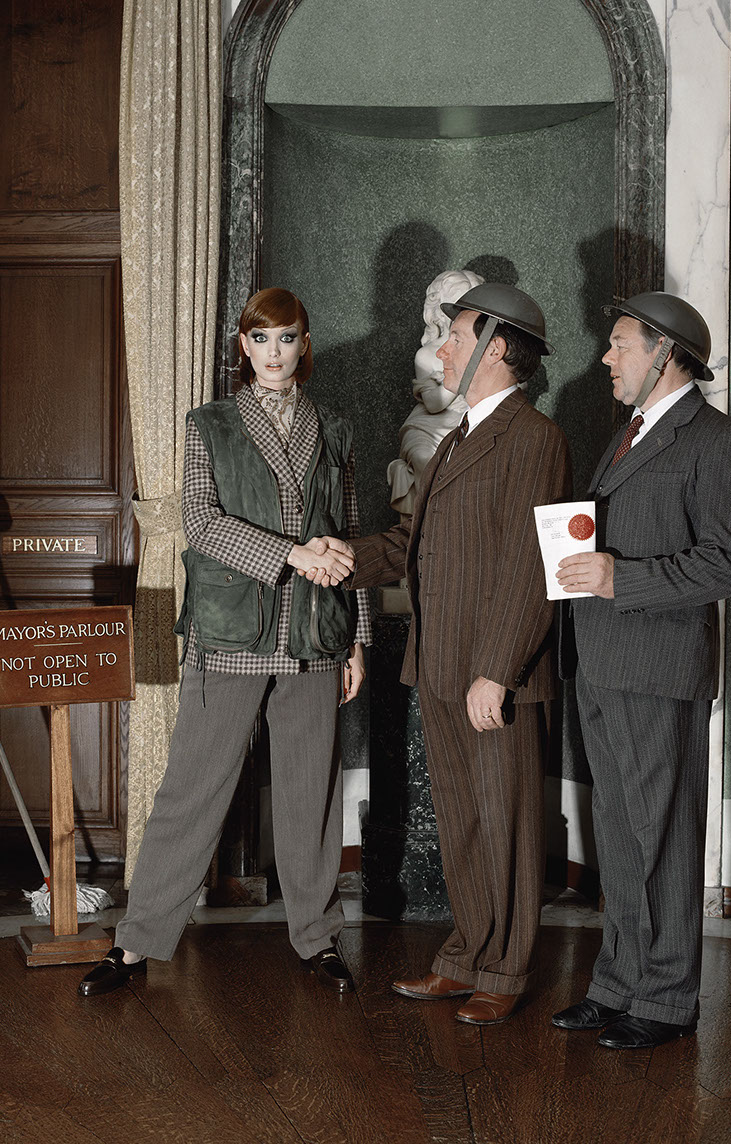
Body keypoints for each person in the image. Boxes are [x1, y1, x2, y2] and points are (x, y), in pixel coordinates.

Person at [78, 287, 371, 997]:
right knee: (192, 789)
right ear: (244, 346)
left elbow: (351, 536)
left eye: (287, 338)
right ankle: (135, 944)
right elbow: (202, 524)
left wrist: (357, 639)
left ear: (305, 344)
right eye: (261, 339)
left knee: (310, 797)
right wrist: (292, 555)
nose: (274, 352)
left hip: (315, 635)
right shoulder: (208, 424)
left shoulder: (335, 428)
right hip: (230, 632)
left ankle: (317, 939)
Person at [310, 284, 571, 1024]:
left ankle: (505, 972)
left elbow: (531, 566)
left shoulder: (535, 438)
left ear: (496, 348)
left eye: (456, 337)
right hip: (441, 665)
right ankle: (465, 958)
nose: (442, 351)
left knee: (505, 824)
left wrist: (500, 671)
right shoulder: (458, 439)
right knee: (462, 823)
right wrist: (341, 558)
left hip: (493, 675)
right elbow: (409, 546)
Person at [552, 292, 731, 1049]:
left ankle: (665, 1001)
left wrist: (618, 578)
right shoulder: (630, 431)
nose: (606, 357)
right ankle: (618, 984)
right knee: (622, 835)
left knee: (662, 835)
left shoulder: (715, 439)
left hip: (660, 668)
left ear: (665, 353)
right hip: (602, 662)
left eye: (619, 344)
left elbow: (729, 561)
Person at [387, 268, 483, 516]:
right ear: (440, 310)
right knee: (424, 459)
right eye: (458, 308)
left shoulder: (484, 351)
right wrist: (464, 372)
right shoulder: (427, 354)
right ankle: (431, 521)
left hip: (470, 421)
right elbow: (433, 404)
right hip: (429, 428)